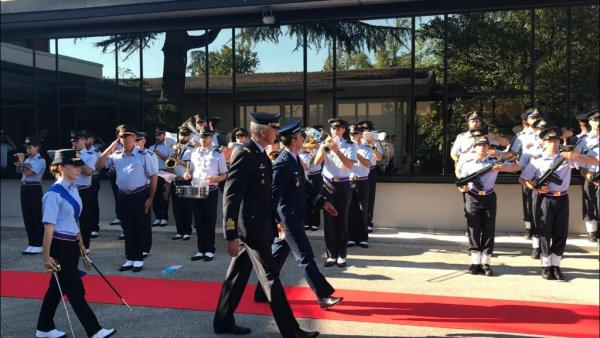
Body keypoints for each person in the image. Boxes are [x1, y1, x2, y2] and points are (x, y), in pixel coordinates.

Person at [213, 112, 319, 338]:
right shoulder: (245, 153)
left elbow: (264, 196)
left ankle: (222, 321)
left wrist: (275, 220)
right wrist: (230, 234)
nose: (277, 132)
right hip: (250, 230)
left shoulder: (261, 155)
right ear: (263, 132)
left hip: (259, 225)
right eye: (274, 128)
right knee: (271, 279)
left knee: (236, 276)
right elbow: (231, 197)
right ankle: (292, 332)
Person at [252, 118, 342, 310]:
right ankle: (323, 296)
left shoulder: (294, 159)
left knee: (275, 258)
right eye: (302, 137)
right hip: (287, 220)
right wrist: (276, 220)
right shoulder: (282, 163)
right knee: (305, 257)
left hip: (294, 217)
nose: (305, 139)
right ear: (294, 140)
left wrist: (323, 202)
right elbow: (272, 195)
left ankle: (262, 292)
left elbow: (306, 186)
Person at [36, 149, 115, 338]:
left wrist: (80, 245)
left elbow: (73, 220)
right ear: (62, 168)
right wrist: (46, 258)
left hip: (71, 245)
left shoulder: (73, 189)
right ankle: (94, 330)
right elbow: (48, 228)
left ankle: (44, 327)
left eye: (80, 164)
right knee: (75, 289)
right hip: (59, 247)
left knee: (57, 289)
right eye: (75, 165)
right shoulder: (54, 195)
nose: (79, 168)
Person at [519, 126, 598, 280]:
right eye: (550, 141)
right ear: (543, 143)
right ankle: (546, 266)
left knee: (560, 233)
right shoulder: (537, 160)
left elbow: (593, 161)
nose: (554, 144)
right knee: (544, 232)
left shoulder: (566, 158)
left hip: (562, 198)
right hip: (545, 199)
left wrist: (575, 156)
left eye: (556, 140)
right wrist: (535, 188)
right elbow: (522, 179)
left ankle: (556, 265)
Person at [96, 125, 158, 272]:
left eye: (128, 137)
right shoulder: (116, 154)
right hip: (123, 195)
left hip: (140, 194)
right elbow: (98, 165)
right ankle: (130, 257)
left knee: (139, 227)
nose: (124, 140)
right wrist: (110, 148)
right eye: (122, 137)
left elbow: (154, 176)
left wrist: (151, 198)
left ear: (134, 138)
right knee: (127, 228)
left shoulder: (144, 154)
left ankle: (138, 259)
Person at [456, 136, 520, 276]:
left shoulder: (495, 162)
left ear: (489, 148)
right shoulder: (468, 162)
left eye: (485, 145)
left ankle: (486, 262)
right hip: (473, 196)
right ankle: (475, 262)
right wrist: (462, 187)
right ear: (475, 147)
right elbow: (461, 181)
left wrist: (502, 166)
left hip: (489, 197)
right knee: (474, 229)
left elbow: (517, 166)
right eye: (479, 145)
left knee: (488, 229)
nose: (482, 148)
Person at [314, 118, 357, 268]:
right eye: (333, 128)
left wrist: (337, 151)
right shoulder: (325, 144)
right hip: (327, 184)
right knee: (329, 222)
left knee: (342, 220)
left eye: (339, 128)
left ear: (344, 130)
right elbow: (316, 163)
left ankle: (342, 255)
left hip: (343, 184)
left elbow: (350, 164)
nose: (336, 130)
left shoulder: (350, 145)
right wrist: (323, 148)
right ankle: (331, 255)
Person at [186, 129, 228, 261]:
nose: (204, 139)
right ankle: (201, 249)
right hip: (196, 188)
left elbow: (224, 175)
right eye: (202, 137)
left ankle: (210, 249)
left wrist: (216, 179)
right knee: (198, 220)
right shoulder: (194, 153)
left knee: (209, 220)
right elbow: (191, 170)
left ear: (211, 138)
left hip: (211, 189)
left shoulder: (217, 153)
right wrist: (186, 174)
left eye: (206, 137)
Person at [510, 108, 541, 243]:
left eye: (537, 117)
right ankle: (530, 230)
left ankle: (541, 235)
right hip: (528, 176)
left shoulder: (545, 134)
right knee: (528, 204)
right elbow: (512, 153)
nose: (535, 119)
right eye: (532, 117)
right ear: (526, 121)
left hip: (544, 175)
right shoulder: (521, 136)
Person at [347, 124, 376, 248]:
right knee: (350, 210)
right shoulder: (346, 148)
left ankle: (363, 238)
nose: (353, 136)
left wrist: (356, 154)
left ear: (360, 135)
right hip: (349, 181)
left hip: (363, 181)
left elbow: (369, 164)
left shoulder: (367, 149)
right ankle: (351, 237)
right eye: (351, 134)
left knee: (362, 210)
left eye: (355, 134)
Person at [18, 136, 47, 255]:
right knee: (27, 215)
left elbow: (29, 173)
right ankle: (31, 243)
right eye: (27, 148)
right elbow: (21, 171)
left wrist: (20, 162)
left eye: (30, 148)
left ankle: (38, 243)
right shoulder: (27, 160)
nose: (28, 150)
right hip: (24, 188)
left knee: (36, 215)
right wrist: (21, 163)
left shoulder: (41, 160)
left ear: (37, 148)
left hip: (34, 188)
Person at [71, 131, 98, 253]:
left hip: (84, 190)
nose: (74, 143)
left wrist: (78, 160)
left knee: (84, 220)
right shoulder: (69, 154)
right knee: (71, 219)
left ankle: (85, 246)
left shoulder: (90, 155)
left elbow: (88, 172)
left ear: (83, 140)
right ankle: (73, 245)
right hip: (71, 189)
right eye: (72, 141)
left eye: (76, 140)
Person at [576, 110, 599, 242]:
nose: (598, 123)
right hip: (589, 176)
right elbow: (578, 162)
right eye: (595, 120)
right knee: (588, 203)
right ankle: (592, 231)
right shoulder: (583, 140)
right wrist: (589, 176)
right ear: (590, 122)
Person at [135, 131, 159, 257]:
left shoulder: (150, 154)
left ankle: (145, 246)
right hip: (132, 190)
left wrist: (150, 197)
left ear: (143, 140)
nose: (135, 142)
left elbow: (153, 174)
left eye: (138, 140)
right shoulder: (130, 153)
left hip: (146, 188)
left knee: (144, 220)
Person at [169, 126, 195, 241]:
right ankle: (179, 231)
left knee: (187, 208)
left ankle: (187, 232)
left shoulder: (192, 149)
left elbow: (193, 165)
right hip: (176, 179)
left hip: (187, 181)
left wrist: (179, 161)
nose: (182, 136)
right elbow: (170, 164)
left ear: (189, 136)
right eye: (181, 134)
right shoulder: (174, 148)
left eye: (185, 134)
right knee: (177, 208)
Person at [357, 121, 383, 233]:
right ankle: (357, 222)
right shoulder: (356, 141)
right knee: (356, 198)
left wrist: (372, 145)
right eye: (363, 129)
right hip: (357, 171)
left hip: (370, 171)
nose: (365, 131)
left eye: (367, 129)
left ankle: (368, 222)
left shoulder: (375, 142)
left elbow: (379, 158)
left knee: (369, 197)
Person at [298, 127, 323, 231]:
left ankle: (315, 223)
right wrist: (313, 145)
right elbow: (303, 146)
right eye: (309, 137)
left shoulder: (319, 147)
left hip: (316, 175)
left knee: (316, 199)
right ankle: (306, 222)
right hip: (305, 175)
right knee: (305, 200)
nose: (310, 138)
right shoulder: (302, 146)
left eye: (311, 137)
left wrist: (317, 146)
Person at [148, 126, 172, 227]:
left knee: (164, 197)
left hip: (164, 173)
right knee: (155, 196)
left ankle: (164, 218)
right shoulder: (150, 148)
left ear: (164, 136)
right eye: (157, 135)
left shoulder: (168, 148)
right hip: (154, 174)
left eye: (160, 135)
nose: (158, 137)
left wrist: (159, 154)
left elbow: (171, 161)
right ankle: (157, 217)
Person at [83, 131, 102, 238]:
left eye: (88, 138)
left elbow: (99, 167)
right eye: (84, 139)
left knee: (93, 203)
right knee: (85, 204)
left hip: (93, 179)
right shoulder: (80, 151)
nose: (86, 141)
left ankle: (94, 227)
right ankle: (87, 226)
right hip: (83, 180)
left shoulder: (96, 151)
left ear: (92, 139)